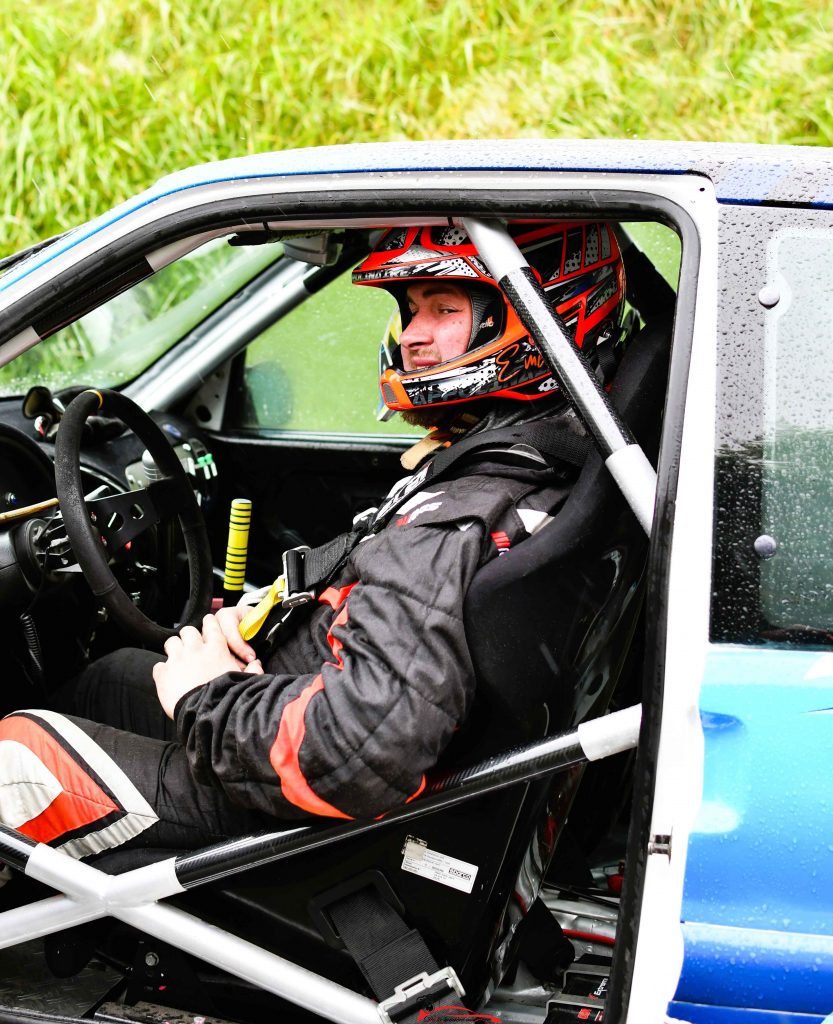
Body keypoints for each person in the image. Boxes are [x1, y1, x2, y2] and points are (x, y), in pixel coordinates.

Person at [0, 222, 627, 861]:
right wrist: (264, 626)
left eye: (445, 310)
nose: (413, 335)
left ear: (538, 315)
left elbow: (359, 752)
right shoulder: (533, 458)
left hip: (284, 818)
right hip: (295, 710)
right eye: (413, 311)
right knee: (107, 682)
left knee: (15, 756)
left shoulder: (454, 522)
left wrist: (209, 696)